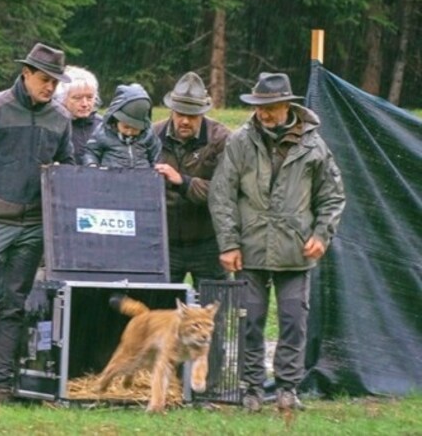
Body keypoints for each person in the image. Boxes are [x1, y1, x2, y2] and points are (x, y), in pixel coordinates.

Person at [209, 72, 345, 412]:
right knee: (249, 320)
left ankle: (287, 389)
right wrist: (228, 243)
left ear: (287, 106)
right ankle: (251, 389)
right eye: (259, 107)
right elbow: (221, 194)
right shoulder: (240, 141)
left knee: (292, 322)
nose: (264, 114)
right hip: (248, 247)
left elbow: (333, 196)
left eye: (270, 107)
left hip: (296, 249)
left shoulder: (314, 145)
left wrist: (321, 234)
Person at [0, 42, 74, 406]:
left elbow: (66, 172)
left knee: (14, 307)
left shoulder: (60, 119)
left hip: (34, 225)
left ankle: (1, 385)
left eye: (55, 81)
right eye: (44, 79)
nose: (49, 87)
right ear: (26, 73)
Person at [152, 72, 230, 284]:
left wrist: (183, 182)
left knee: (215, 311)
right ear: (171, 110)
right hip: (164, 242)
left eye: (193, 115)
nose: (185, 121)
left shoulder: (221, 138)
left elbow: (225, 191)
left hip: (208, 241)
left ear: (203, 113)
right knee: (161, 313)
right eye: (179, 113)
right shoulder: (152, 136)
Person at [83, 83, 160, 168]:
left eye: (136, 129)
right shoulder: (104, 132)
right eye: (126, 127)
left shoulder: (148, 135)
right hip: (111, 177)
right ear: (116, 120)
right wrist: (92, 164)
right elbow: (91, 152)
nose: (129, 132)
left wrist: (157, 168)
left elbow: (156, 155)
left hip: (141, 177)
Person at [53, 66, 102, 164]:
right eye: (77, 98)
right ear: (62, 98)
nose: (85, 104)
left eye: (89, 97)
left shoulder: (103, 126)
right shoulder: (54, 125)